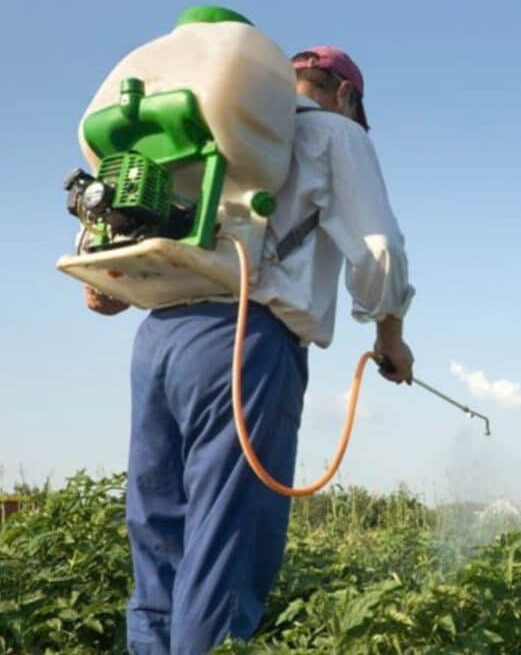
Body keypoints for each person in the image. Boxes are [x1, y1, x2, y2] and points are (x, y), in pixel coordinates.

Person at [83, 46, 415, 654]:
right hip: (243, 342)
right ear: (345, 96)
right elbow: (379, 249)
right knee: (224, 546)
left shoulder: (216, 127)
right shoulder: (332, 132)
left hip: (157, 341)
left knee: (158, 538)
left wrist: (114, 285)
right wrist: (389, 337)